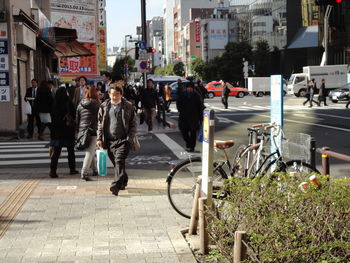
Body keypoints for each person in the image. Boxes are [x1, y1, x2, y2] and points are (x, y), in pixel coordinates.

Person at [96, 83, 137, 196]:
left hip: (124, 140)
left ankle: (116, 185)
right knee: (117, 163)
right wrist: (99, 138)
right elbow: (100, 124)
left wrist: (130, 137)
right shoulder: (104, 106)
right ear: (109, 94)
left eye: (117, 94)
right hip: (109, 140)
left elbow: (133, 124)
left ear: (121, 94)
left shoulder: (128, 106)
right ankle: (124, 180)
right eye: (113, 94)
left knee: (119, 160)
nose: (115, 97)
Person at [50, 87, 78, 178]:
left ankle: (53, 171)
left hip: (57, 131)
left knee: (56, 152)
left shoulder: (54, 104)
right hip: (68, 130)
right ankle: (72, 169)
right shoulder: (69, 103)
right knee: (70, 151)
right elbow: (74, 115)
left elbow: (52, 118)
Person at [76, 87, 100, 181]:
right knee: (90, 151)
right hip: (93, 130)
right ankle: (84, 172)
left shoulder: (80, 104)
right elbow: (100, 118)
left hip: (83, 130)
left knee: (91, 150)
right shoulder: (98, 104)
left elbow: (77, 118)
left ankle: (94, 170)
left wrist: (79, 130)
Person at [176, 82, 203, 152]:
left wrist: (200, 118)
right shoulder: (182, 95)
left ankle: (192, 147)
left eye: (191, 87)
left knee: (193, 133)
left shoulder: (197, 96)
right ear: (186, 88)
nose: (189, 89)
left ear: (193, 88)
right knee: (183, 132)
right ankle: (188, 142)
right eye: (188, 87)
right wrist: (181, 110)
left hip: (194, 117)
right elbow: (178, 104)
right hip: (183, 116)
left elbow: (200, 107)